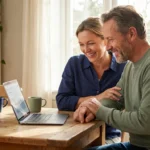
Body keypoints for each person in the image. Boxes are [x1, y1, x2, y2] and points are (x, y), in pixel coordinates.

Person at [73, 5, 150, 150]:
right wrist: (90, 108)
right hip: (136, 146)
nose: (107, 47)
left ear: (131, 34)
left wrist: (100, 111)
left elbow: (145, 123)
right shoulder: (130, 65)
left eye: (111, 39)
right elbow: (116, 98)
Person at [56, 17, 126, 143]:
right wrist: (99, 97)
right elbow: (62, 100)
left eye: (91, 43)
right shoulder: (74, 64)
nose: (86, 50)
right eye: (81, 44)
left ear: (105, 41)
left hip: (109, 136)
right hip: (75, 133)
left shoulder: (123, 67)